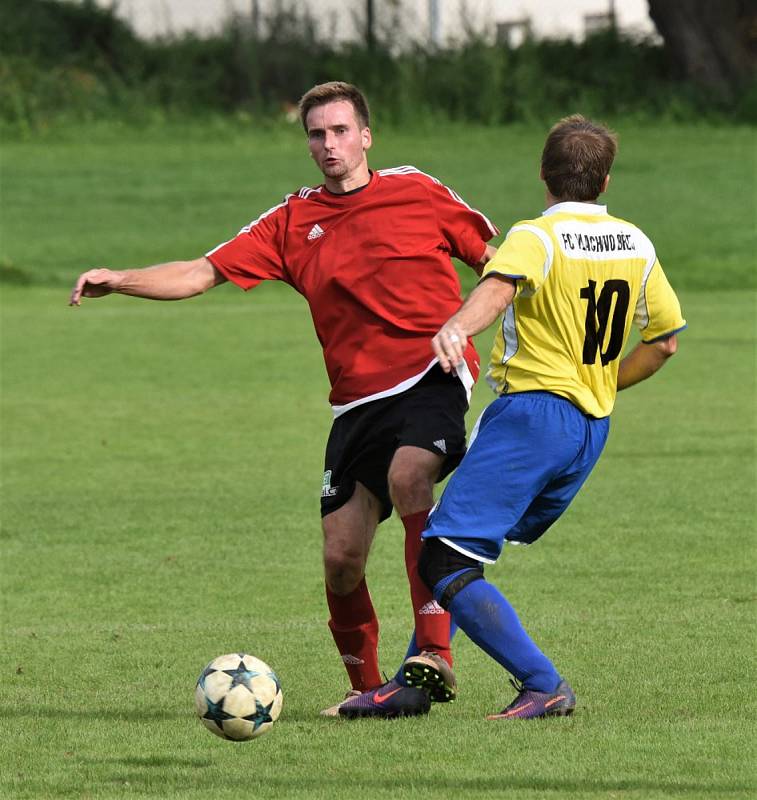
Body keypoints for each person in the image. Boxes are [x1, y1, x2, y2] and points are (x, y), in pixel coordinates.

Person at [69, 81, 499, 719]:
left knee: (412, 476)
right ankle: (370, 690)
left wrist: (465, 324)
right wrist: (120, 280)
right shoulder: (292, 221)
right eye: (318, 134)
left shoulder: (419, 190)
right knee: (341, 558)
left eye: (341, 131)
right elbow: (201, 272)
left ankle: (436, 653)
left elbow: (498, 261)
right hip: (355, 404)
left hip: (431, 373)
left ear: (366, 136)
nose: (330, 144)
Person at [389, 114, 686, 719]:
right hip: (589, 429)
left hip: (531, 418)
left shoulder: (536, 236)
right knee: (458, 551)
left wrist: (457, 325)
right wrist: (603, 381)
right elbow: (664, 341)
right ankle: (412, 679)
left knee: (443, 555)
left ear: (543, 175)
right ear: (604, 182)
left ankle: (542, 683)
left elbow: (498, 288)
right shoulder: (637, 243)